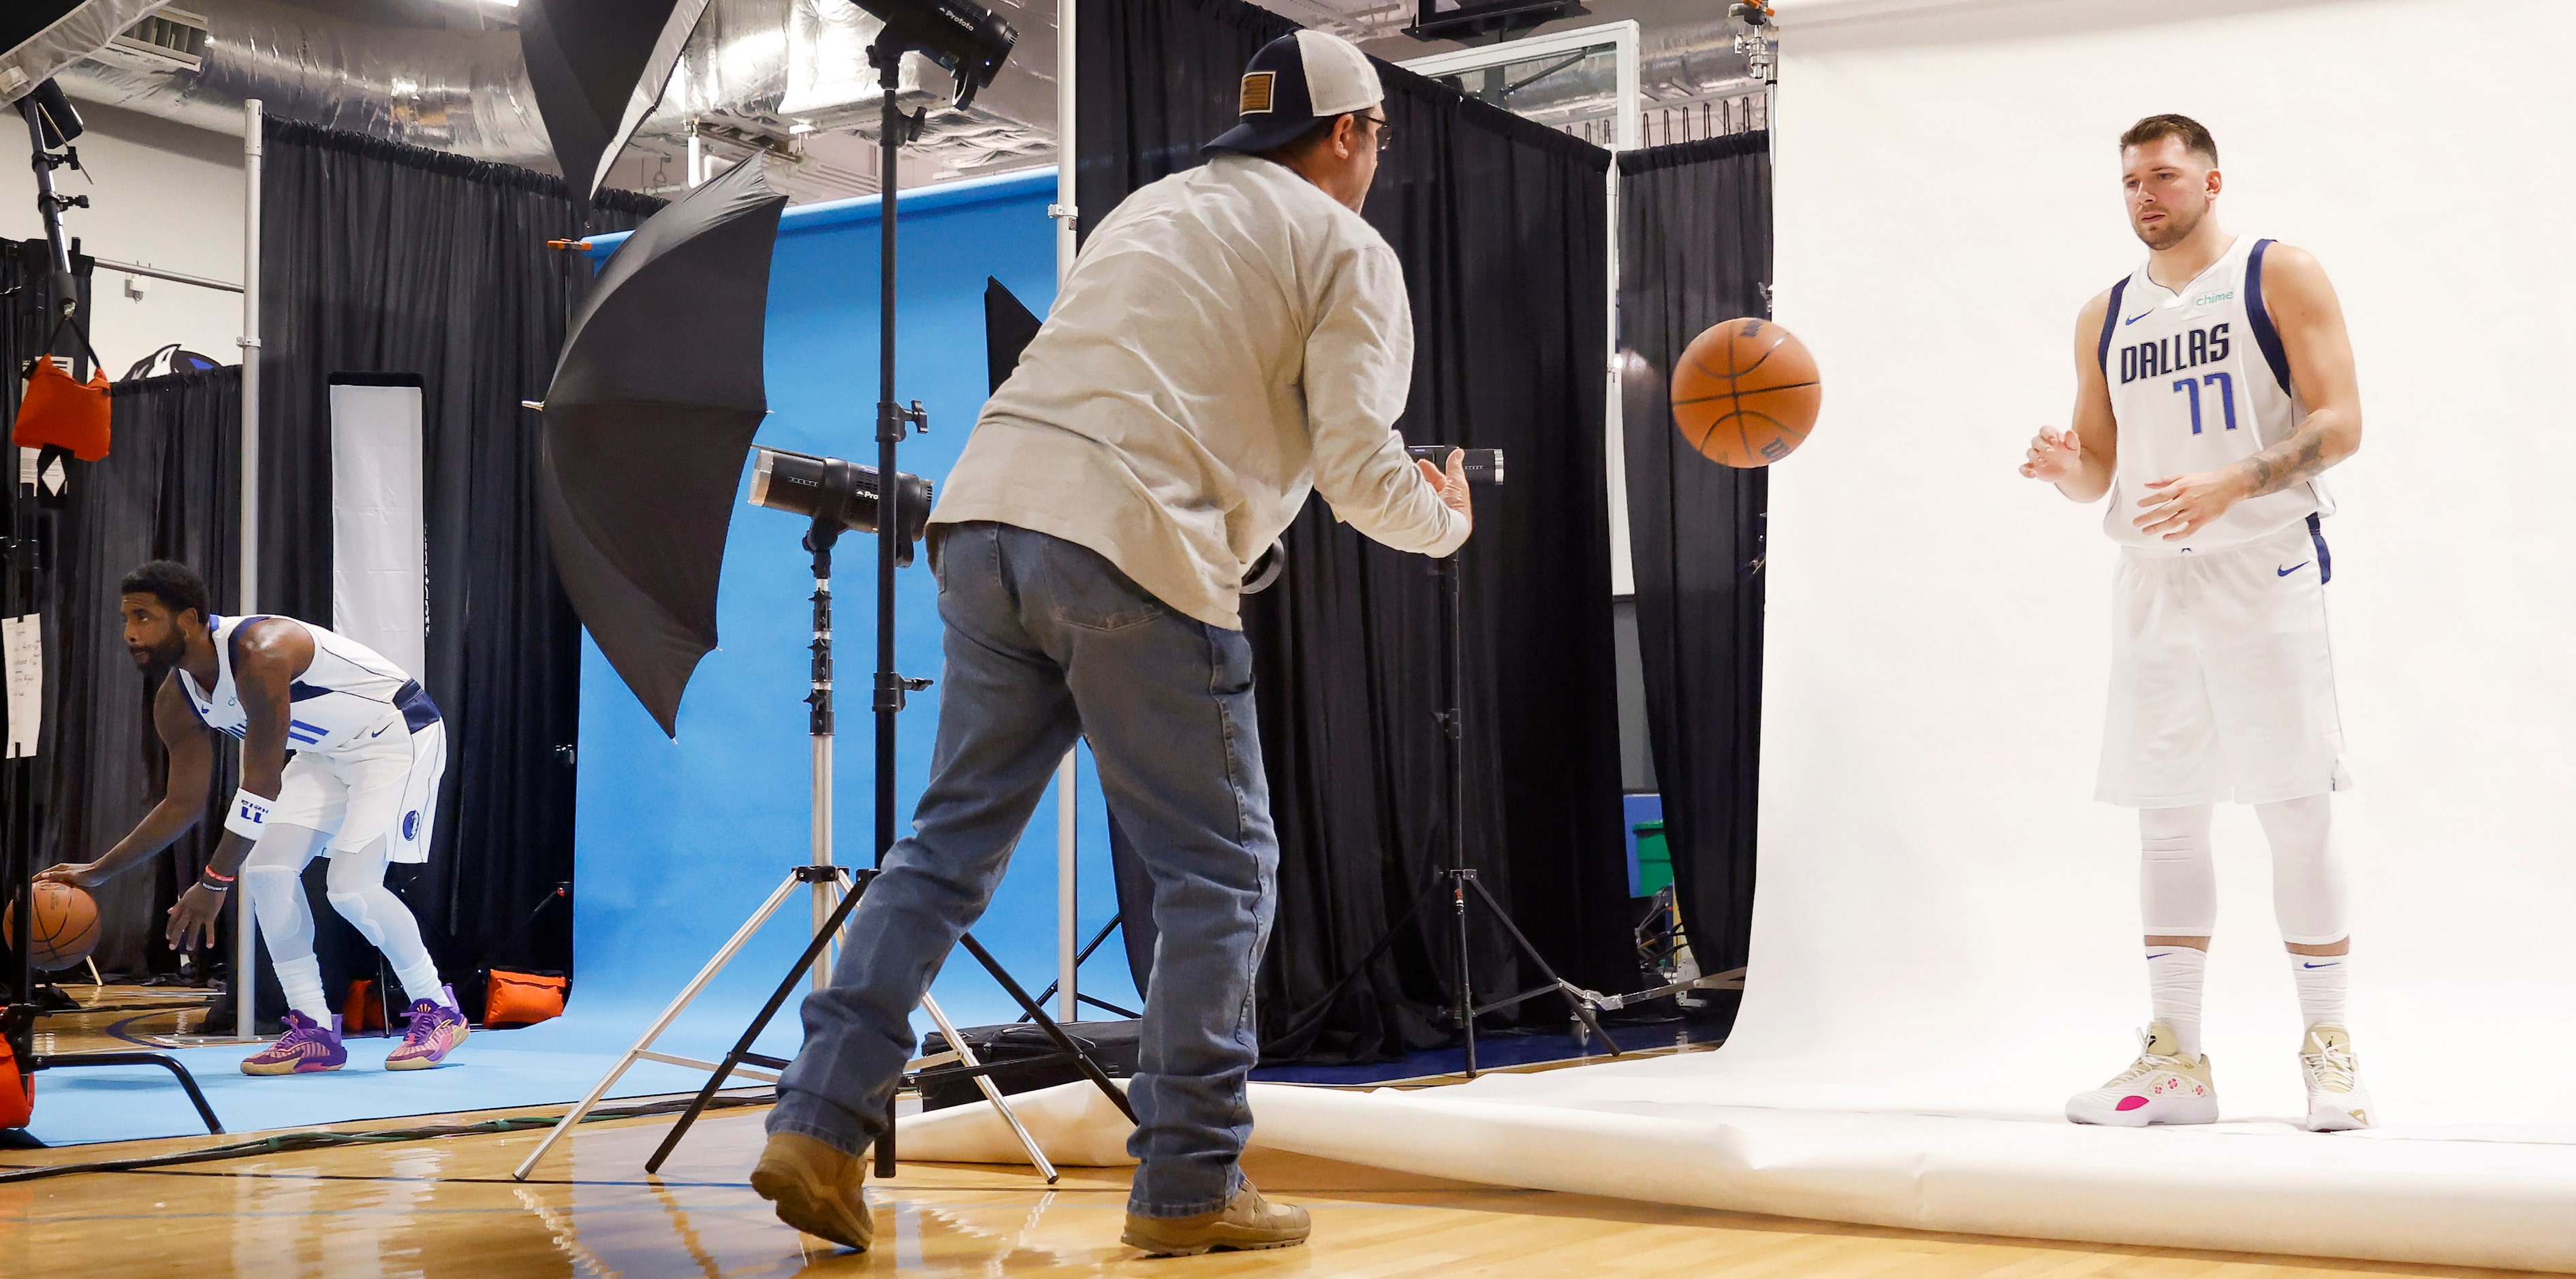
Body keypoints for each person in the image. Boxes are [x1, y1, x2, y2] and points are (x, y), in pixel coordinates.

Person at [747, 29, 1470, 1258]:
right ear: (1348, 133)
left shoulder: (1152, 207)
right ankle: (1188, 1183)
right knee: (1221, 872)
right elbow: (1358, 469)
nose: (1375, 161)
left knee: (943, 848)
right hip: (1130, 544)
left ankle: (817, 1118)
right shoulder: (1348, 249)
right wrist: (1441, 518)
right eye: (1377, 138)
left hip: (982, 521)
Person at [2020, 114, 2369, 1131]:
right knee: (2165, 811)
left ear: (2211, 184)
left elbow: (2340, 421)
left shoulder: (2276, 271)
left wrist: (2233, 482)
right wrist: (2060, 468)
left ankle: (2328, 1048)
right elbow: (2095, 472)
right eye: (2129, 181)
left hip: (2260, 565)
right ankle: (2176, 1062)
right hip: (2151, 580)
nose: (2143, 197)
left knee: (2292, 803)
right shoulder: (2104, 313)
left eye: (2163, 177)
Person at [38, 560, 467, 1075]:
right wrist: (97, 873)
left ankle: (438, 1009)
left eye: (145, 617)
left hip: (397, 738)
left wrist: (213, 883)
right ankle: (313, 1030)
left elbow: (261, 784)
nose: (131, 633)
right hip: (326, 756)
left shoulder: (261, 653)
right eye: (126, 618)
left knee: (351, 888)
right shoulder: (177, 699)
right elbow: (183, 803)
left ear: (189, 618)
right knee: (266, 872)